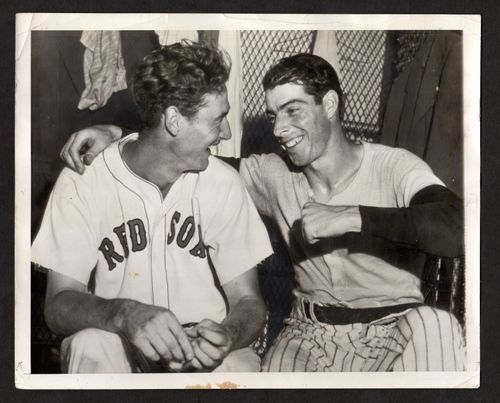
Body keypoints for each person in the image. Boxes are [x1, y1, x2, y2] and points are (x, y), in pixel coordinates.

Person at [60, 52, 466, 372]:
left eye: (293, 110)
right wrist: (117, 133)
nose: (278, 129)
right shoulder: (272, 173)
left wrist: (355, 215)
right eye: (273, 115)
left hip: (394, 325)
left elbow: (461, 228)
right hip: (312, 334)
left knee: (439, 326)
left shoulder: (394, 166)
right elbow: (179, 151)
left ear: (330, 103)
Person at [32, 41, 273, 373]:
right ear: (174, 121)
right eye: (217, 120)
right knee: (89, 344)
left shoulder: (222, 181)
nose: (225, 132)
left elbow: (248, 301)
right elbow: (57, 304)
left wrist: (228, 334)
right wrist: (125, 314)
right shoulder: (83, 180)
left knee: (240, 367)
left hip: (200, 348)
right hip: (120, 340)